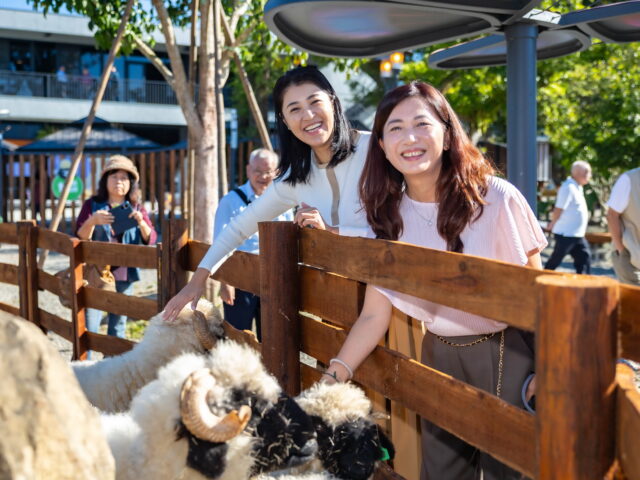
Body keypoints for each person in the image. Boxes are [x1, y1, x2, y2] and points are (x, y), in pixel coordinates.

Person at [322, 81, 547, 480]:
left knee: (511, 472)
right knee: (441, 473)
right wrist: (334, 374)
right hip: (438, 354)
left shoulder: (496, 198)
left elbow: (540, 296)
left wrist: (548, 372)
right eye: (394, 128)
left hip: (506, 355)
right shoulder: (386, 214)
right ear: (381, 146)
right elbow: (375, 314)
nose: (409, 138)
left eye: (421, 124)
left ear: (446, 134)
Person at [163, 65, 371, 322]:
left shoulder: (376, 150)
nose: (307, 115)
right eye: (294, 109)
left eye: (315, 101)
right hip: (337, 305)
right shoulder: (294, 178)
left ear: (333, 102)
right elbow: (237, 230)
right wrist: (197, 281)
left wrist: (333, 232)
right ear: (284, 120)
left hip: (396, 297)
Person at [76, 155, 157, 338]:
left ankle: (113, 364)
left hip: (124, 272)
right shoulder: (92, 205)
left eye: (124, 178)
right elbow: (80, 236)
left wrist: (141, 222)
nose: (119, 182)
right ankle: (86, 364)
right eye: (114, 176)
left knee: (118, 325)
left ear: (130, 183)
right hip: (96, 272)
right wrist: (92, 221)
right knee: (90, 325)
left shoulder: (136, 207)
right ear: (105, 180)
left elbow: (150, 239)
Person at [215, 149, 293, 339]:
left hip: (273, 278)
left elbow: (290, 242)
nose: (263, 176)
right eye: (258, 171)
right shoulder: (231, 201)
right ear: (248, 170)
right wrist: (225, 282)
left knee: (273, 336)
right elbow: (219, 242)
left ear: (276, 172)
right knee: (237, 336)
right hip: (239, 278)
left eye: (268, 171)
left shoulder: (283, 201)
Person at [543, 160, 592, 274]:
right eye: (588, 172)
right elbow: (559, 209)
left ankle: (584, 286)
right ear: (581, 173)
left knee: (585, 259)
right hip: (566, 234)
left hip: (576, 234)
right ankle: (540, 280)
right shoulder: (568, 187)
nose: (590, 175)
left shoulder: (577, 187)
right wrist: (552, 223)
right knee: (555, 261)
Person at [606, 167, 640, 286]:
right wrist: (621, 250)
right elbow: (612, 215)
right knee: (633, 302)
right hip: (631, 257)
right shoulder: (629, 179)